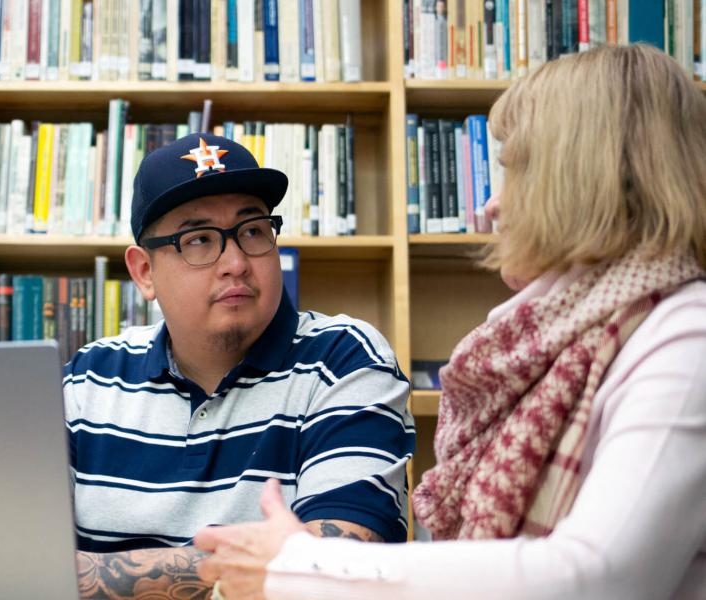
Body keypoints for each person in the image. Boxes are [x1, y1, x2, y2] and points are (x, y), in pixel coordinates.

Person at [193, 44, 706, 599]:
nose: (489, 205)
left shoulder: (686, 337)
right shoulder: (553, 341)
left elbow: (603, 577)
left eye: (513, 170)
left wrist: (302, 567)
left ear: (588, 179)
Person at [64, 133, 415, 598]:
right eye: (199, 240)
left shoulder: (344, 359)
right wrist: (266, 561)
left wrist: (80, 573)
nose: (235, 262)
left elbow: (339, 569)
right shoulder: (88, 378)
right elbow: (14, 560)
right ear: (144, 273)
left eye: (252, 231)